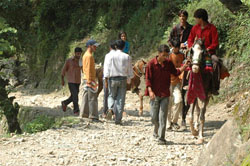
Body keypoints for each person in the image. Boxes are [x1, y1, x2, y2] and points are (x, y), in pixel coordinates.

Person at [145, 44, 189, 145]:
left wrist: (184, 67)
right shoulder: (151, 64)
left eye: (167, 55)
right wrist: (150, 91)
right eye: (164, 55)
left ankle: (161, 138)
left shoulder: (168, 63)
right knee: (154, 117)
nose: (166, 57)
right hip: (154, 94)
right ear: (159, 54)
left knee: (163, 116)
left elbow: (176, 72)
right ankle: (156, 130)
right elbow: (148, 79)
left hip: (165, 93)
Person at [187, 8, 220, 95]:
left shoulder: (212, 28)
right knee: (186, 63)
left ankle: (214, 86)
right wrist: (191, 47)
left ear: (200, 19)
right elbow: (190, 39)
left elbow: (215, 43)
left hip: (209, 53)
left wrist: (208, 49)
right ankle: (187, 84)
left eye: (196, 18)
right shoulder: (195, 28)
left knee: (216, 62)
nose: (195, 20)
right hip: (196, 52)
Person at [104, 39, 133, 125]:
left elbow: (107, 68)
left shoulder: (110, 56)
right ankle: (118, 119)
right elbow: (130, 70)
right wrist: (129, 79)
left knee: (111, 95)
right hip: (123, 79)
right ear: (124, 47)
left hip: (112, 78)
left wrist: (106, 78)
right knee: (121, 99)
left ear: (115, 46)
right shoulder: (127, 57)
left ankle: (110, 108)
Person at [166, 40, 185, 131]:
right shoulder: (168, 56)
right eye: (174, 47)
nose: (175, 49)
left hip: (177, 82)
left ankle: (174, 121)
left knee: (178, 100)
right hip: (168, 82)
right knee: (168, 103)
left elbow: (184, 66)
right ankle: (168, 123)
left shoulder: (182, 55)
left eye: (177, 47)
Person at [80, 39, 100, 121]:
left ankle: (84, 114)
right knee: (92, 98)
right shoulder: (89, 56)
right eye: (94, 46)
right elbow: (88, 69)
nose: (96, 47)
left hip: (86, 79)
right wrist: (89, 80)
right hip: (89, 79)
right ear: (89, 46)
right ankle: (93, 116)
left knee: (85, 97)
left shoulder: (85, 55)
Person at [61, 47, 82, 115]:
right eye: (78, 53)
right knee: (75, 95)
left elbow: (83, 69)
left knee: (74, 95)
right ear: (75, 53)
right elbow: (63, 70)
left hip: (78, 81)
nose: (79, 55)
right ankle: (76, 110)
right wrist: (62, 80)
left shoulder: (81, 61)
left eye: (80, 54)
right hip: (71, 81)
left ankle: (65, 103)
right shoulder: (69, 61)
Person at [102, 40, 116, 118]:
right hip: (117, 78)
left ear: (110, 47)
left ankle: (105, 112)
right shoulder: (119, 55)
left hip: (108, 77)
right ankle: (114, 112)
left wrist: (106, 78)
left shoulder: (108, 55)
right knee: (115, 95)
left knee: (106, 94)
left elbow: (106, 67)